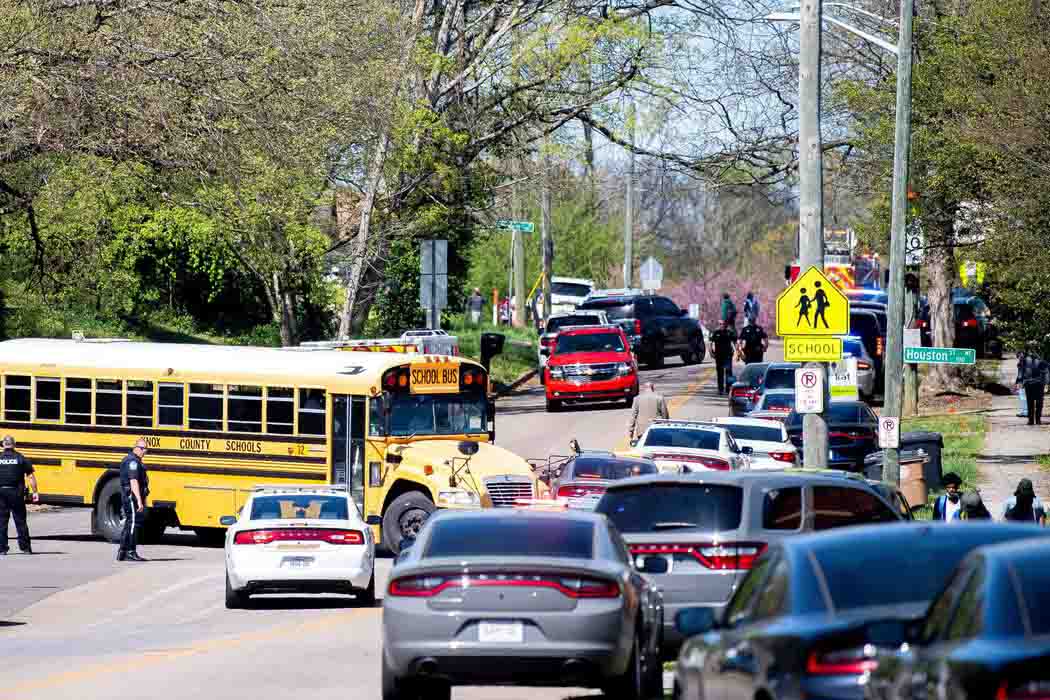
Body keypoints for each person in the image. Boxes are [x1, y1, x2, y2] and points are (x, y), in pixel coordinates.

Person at [0, 435, 38, 555]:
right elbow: (30, 476)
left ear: (3, 445)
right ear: (14, 445)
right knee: (20, 521)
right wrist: (35, 492)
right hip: (16, 493)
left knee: (1, 521)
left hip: (1, 493)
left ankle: (2, 549)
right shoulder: (20, 458)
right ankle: (25, 548)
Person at [117, 438, 150, 562]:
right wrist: (139, 500)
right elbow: (133, 481)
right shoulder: (133, 462)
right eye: (142, 448)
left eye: (146, 449)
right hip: (132, 497)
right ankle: (131, 551)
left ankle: (122, 551)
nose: (144, 451)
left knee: (130, 523)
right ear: (135, 448)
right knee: (133, 524)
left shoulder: (133, 460)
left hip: (130, 496)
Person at [1016, 348, 1047, 425]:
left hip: (1039, 383)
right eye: (1031, 350)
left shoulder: (1041, 360)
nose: (1033, 352)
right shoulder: (1024, 360)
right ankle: (1031, 420)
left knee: (1039, 403)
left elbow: (1046, 372)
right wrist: (1020, 381)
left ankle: (1037, 419)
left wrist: (1046, 383)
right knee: (1030, 402)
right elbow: (1021, 371)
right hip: (1029, 383)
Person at [710, 319, 738, 395]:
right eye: (720, 324)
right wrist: (711, 352)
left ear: (726, 324)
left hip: (728, 355)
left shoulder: (729, 332)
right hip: (718, 355)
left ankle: (728, 389)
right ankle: (720, 389)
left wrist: (738, 352)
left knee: (728, 372)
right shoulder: (716, 332)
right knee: (720, 372)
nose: (722, 325)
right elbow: (711, 343)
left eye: (723, 324)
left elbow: (735, 342)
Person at [1017, 351, 1029, 418]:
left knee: (1024, 398)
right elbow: (1019, 374)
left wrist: (1021, 382)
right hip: (1022, 382)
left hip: (1024, 382)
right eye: (1019, 356)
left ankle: (1026, 412)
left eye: (1021, 356)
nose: (1020, 357)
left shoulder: (1024, 364)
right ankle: (1024, 411)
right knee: (1022, 398)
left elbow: (1021, 374)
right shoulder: (1020, 363)